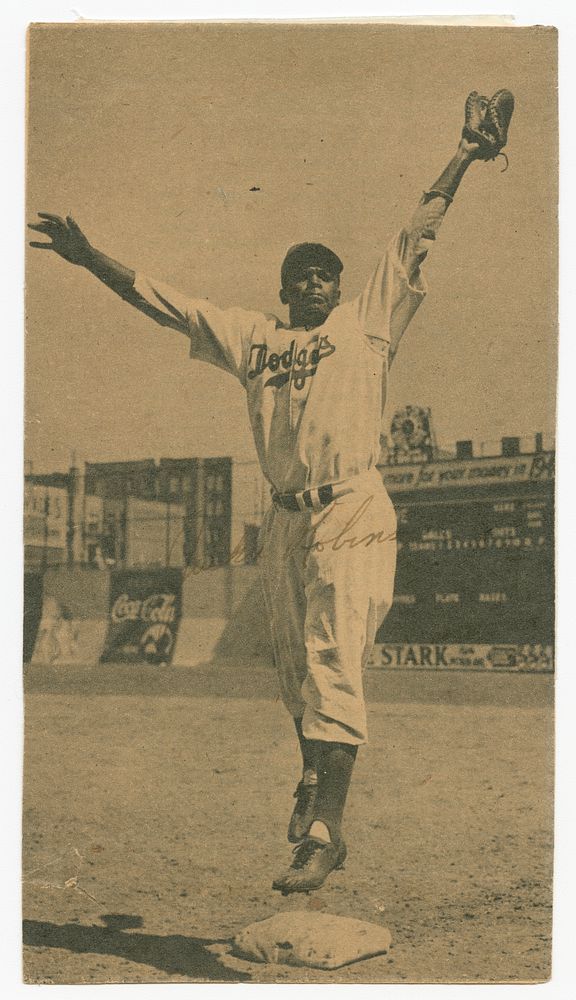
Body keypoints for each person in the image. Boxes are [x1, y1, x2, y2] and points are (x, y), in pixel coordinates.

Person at [29, 96, 510, 895]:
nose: (318, 281)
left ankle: (328, 827)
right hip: (286, 520)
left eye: (328, 272)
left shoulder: (367, 325)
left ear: (340, 285)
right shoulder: (256, 339)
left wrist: (464, 153)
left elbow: (416, 231)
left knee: (332, 662)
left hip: (353, 507)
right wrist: (89, 257)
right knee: (294, 667)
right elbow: (163, 299)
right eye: (304, 274)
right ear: (285, 289)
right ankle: (312, 783)